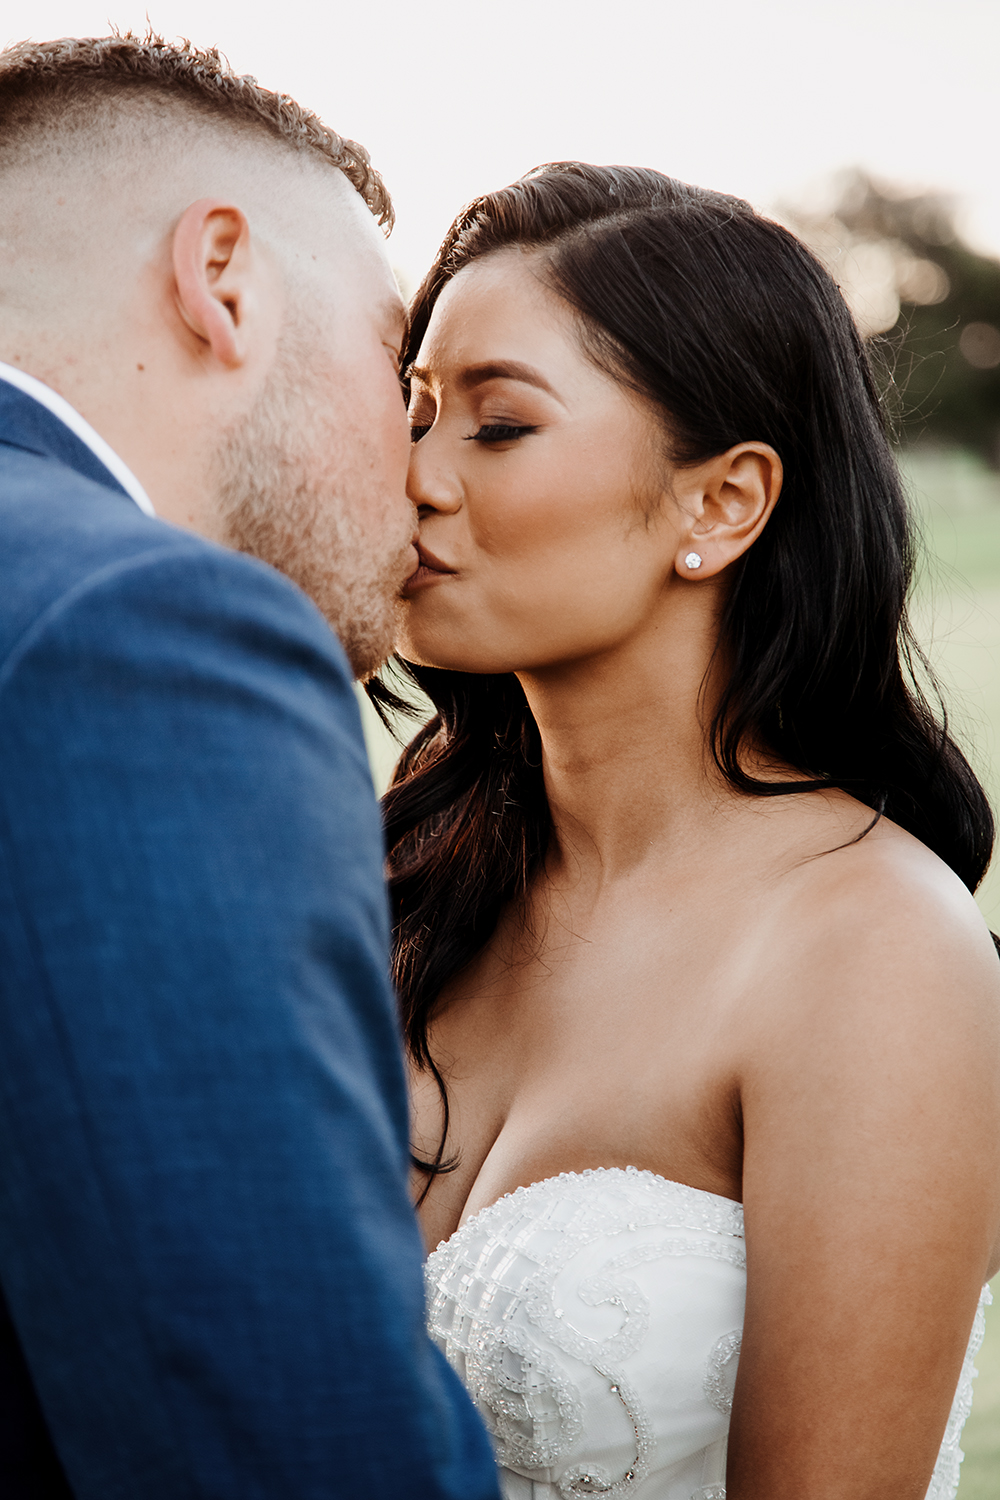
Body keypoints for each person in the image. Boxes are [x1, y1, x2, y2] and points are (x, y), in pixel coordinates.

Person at [373, 162, 1000, 1500]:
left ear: (722, 503)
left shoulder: (874, 949)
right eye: (410, 409)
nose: (410, 477)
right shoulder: (397, 888)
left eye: (495, 426)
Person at [0, 33, 500, 1500]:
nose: (420, 470)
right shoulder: (136, 631)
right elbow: (282, 1430)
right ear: (224, 278)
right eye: (393, 364)